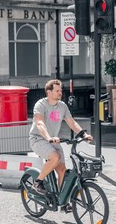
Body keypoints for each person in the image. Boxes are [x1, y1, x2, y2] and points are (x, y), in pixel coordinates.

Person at [29, 79, 93, 211]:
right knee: (55, 158)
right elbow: (39, 123)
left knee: (62, 170)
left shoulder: (62, 106)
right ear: (49, 92)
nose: (60, 93)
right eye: (57, 90)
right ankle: (37, 182)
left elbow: (71, 122)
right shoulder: (41, 104)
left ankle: (61, 201)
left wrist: (83, 134)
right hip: (38, 139)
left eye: (61, 90)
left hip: (54, 140)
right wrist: (48, 137)